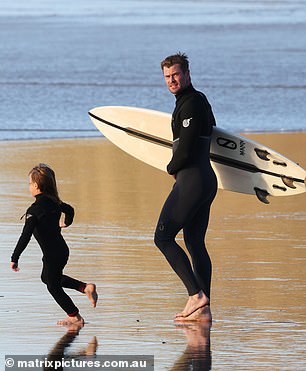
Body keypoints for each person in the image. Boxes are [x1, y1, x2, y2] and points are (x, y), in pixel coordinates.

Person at [154, 53, 217, 321]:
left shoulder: (190, 103)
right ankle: (203, 309)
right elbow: (211, 129)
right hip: (205, 180)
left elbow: (187, 146)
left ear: (187, 73)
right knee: (193, 241)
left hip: (191, 181)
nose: (172, 80)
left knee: (163, 238)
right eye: (167, 76)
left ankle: (196, 295)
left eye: (176, 74)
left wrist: (171, 168)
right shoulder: (198, 100)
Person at [10, 163, 98, 326]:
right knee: (48, 278)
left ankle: (74, 316)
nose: (29, 187)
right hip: (62, 251)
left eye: (30, 183)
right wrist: (66, 223)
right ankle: (85, 287)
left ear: (36, 185)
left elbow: (25, 236)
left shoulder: (34, 210)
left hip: (52, 255)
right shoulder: (55, 203)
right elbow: (70, 210)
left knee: (53, 286)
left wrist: (15, 257)